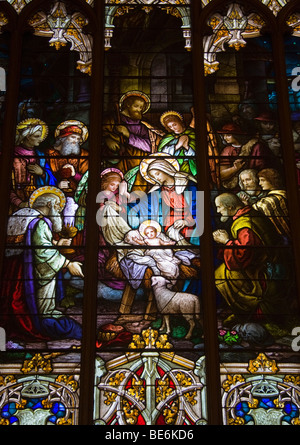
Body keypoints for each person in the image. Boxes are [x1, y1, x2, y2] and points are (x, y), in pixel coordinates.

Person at [1, 186, 84, 342]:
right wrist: (68, 263)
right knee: (44, 313)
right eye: (58, 208)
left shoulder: (23, 215)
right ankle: (45, 319)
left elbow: (32, 244)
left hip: (16, 275)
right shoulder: (40, 222)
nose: (59, 213)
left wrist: (56, 243)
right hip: (32, 274)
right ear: (49, 205)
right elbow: (43, 253)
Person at [213, 192, 291, 328]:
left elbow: (244, 255)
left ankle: (249, 310)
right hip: (262, 263)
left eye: (219, 207)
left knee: (221, 275)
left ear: (230, 207)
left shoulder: (244, 225)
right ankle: (244, 312)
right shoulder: (249, 214)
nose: (218, 211)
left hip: (263, 269)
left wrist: (226, 241)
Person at [102, 91, 156, 190]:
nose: (139, 110)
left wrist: (128, 135)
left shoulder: (143, 125)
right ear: (127, 105)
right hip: (118, 162)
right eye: (136, 106)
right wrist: (108, 140)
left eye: (141, 108)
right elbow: (101, 134)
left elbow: (149, 146)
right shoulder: (112, 119)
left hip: (139, 164)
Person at [10, 118, 57, 212]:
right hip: (14, 200)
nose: (40, 139)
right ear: (27, 136)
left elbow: (53, 182)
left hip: (37, 200)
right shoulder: (11, 155)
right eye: (37, 136)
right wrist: (19, 202)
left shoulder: (41, 156)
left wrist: (42, 173)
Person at [217, 122, 279, 190]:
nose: (225, 138)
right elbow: (221, 175)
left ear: (236, 135)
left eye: (228, 135)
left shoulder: (255, 146)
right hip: (236, 187)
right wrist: (235, 168)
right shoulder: (227, 150)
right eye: (223, 135)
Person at [252, 168, 291, 242]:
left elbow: (256, 209)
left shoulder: (272, 200)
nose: (260, 183)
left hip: (284, 239)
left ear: (271, 180)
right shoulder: (284, 194)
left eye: (263, 180)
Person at [157, 111, 196, 176]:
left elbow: (199, 150)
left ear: (180, 122)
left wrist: (187, 147)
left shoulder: (192, 133)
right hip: (173, 166)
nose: (173, 128)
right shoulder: (168, 138)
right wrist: (177, 146)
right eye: (170, 127)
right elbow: (162, 153)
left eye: (175, 124)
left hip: (191, 165)